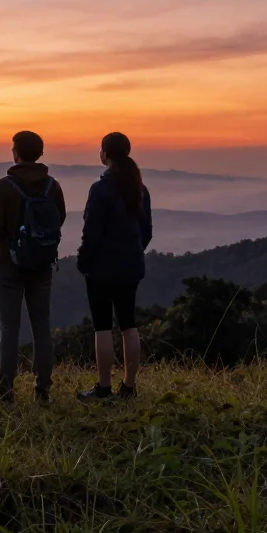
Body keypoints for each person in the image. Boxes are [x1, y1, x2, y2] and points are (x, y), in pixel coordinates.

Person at [0, 130, 67, 404]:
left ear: (16, 152)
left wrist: (10, 245)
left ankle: (6, 391)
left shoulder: (5, 185)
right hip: (42, 265)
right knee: (41, 327)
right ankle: (43, 390)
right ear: (40, 154)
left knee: (9, 328)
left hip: (10, 264)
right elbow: (60, 219)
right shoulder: (52, 186)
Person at [76, 132, 152, 401]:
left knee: (103, 326)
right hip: (130, 266)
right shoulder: (139, 188)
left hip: (101, 268)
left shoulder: (101, 189)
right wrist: (131, 253)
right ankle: (129, 387)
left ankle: (104, 388)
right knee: (128, 324)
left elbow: (91, 233)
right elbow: (146, 232)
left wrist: (84, 262)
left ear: (105, 153)